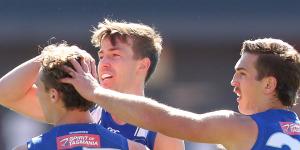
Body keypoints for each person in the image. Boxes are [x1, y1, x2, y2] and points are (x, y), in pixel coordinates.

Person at [61, 38, 300, 150]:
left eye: (243, 74)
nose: (233, 82)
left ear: (269, 85)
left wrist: (94, 92)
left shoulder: (243, 127)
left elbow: (163, 120)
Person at [0, 19, 184, 150]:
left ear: (143, 65)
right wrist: (51, 56)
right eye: (101, 55)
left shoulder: (163, 128)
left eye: (115, 55)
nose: (103, 63)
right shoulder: (80, 108)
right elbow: (4, 94)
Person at [11, 43, 148, 150]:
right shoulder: (135, 148)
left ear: (53, 95)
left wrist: (49, 55)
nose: (39, 98)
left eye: (39, 90)